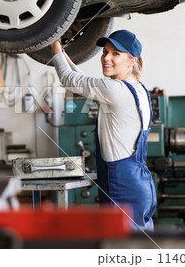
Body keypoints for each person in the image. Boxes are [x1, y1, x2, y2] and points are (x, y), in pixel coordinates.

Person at [50, 29, 156, 231]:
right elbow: (81, 81)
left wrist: (53, 43)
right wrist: (64, 53)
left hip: (122, 186)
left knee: (124, 253)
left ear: (131, 61)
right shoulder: (138, 88)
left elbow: (68, 79)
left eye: (116, 53)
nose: (106, 58)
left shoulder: (115, 89)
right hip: (139, 184)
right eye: (105, 51)